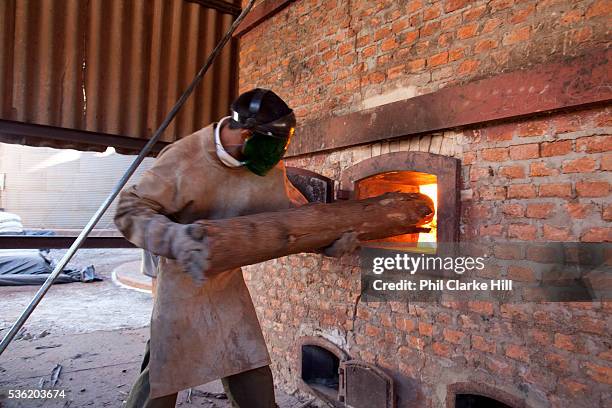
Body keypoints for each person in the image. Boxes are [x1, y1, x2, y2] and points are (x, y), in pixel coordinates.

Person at [114, 88, 358, 407]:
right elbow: (130, 208)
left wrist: (327, 240)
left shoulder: (264, 166)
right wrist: (178, 240)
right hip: (178, 273)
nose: (275, 156)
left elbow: (292, 218)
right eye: (272, 145)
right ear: (245, 133)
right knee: (166, 368)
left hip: (227, 278)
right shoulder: (184, 158)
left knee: (247, 359)